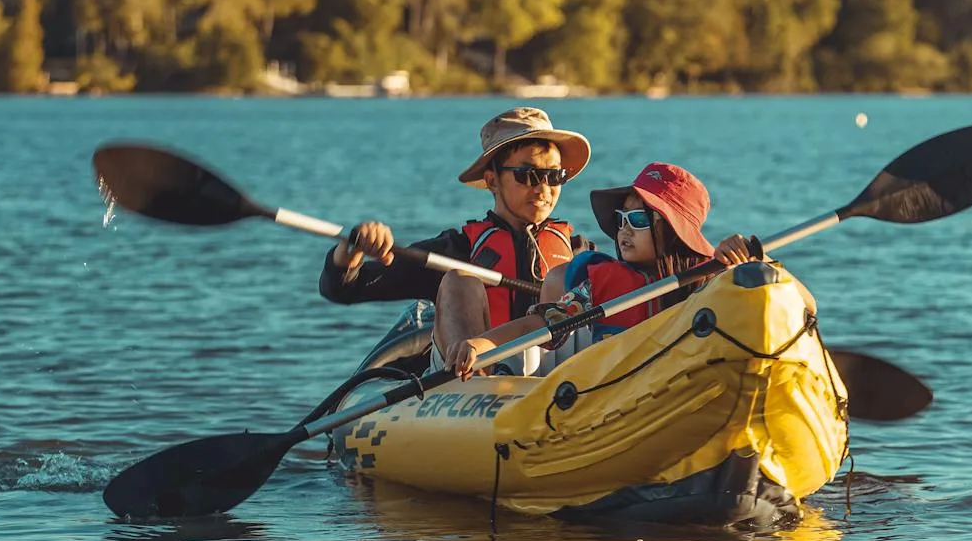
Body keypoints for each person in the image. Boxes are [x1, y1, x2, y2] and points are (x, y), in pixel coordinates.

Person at [319, 106, 593, 373]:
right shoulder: (455, 250)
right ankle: (475, 384)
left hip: (556, 380)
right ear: (492, 180)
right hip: (472, 384)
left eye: (554, 176)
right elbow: (344, 289)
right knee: (458, 280)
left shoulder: (578, 250)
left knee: (570, 276)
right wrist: (351, 251)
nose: (543, 188)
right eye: (527, 175)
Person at [443, 161, 759, 379]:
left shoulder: (712, 278)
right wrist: (481, 345)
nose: (623, 230)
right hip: (611, 399)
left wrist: (746, 258)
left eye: (637, 221)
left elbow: (767, 293)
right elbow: (541, 323)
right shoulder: (600, 286)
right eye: (621, 219)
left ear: (673, 231)